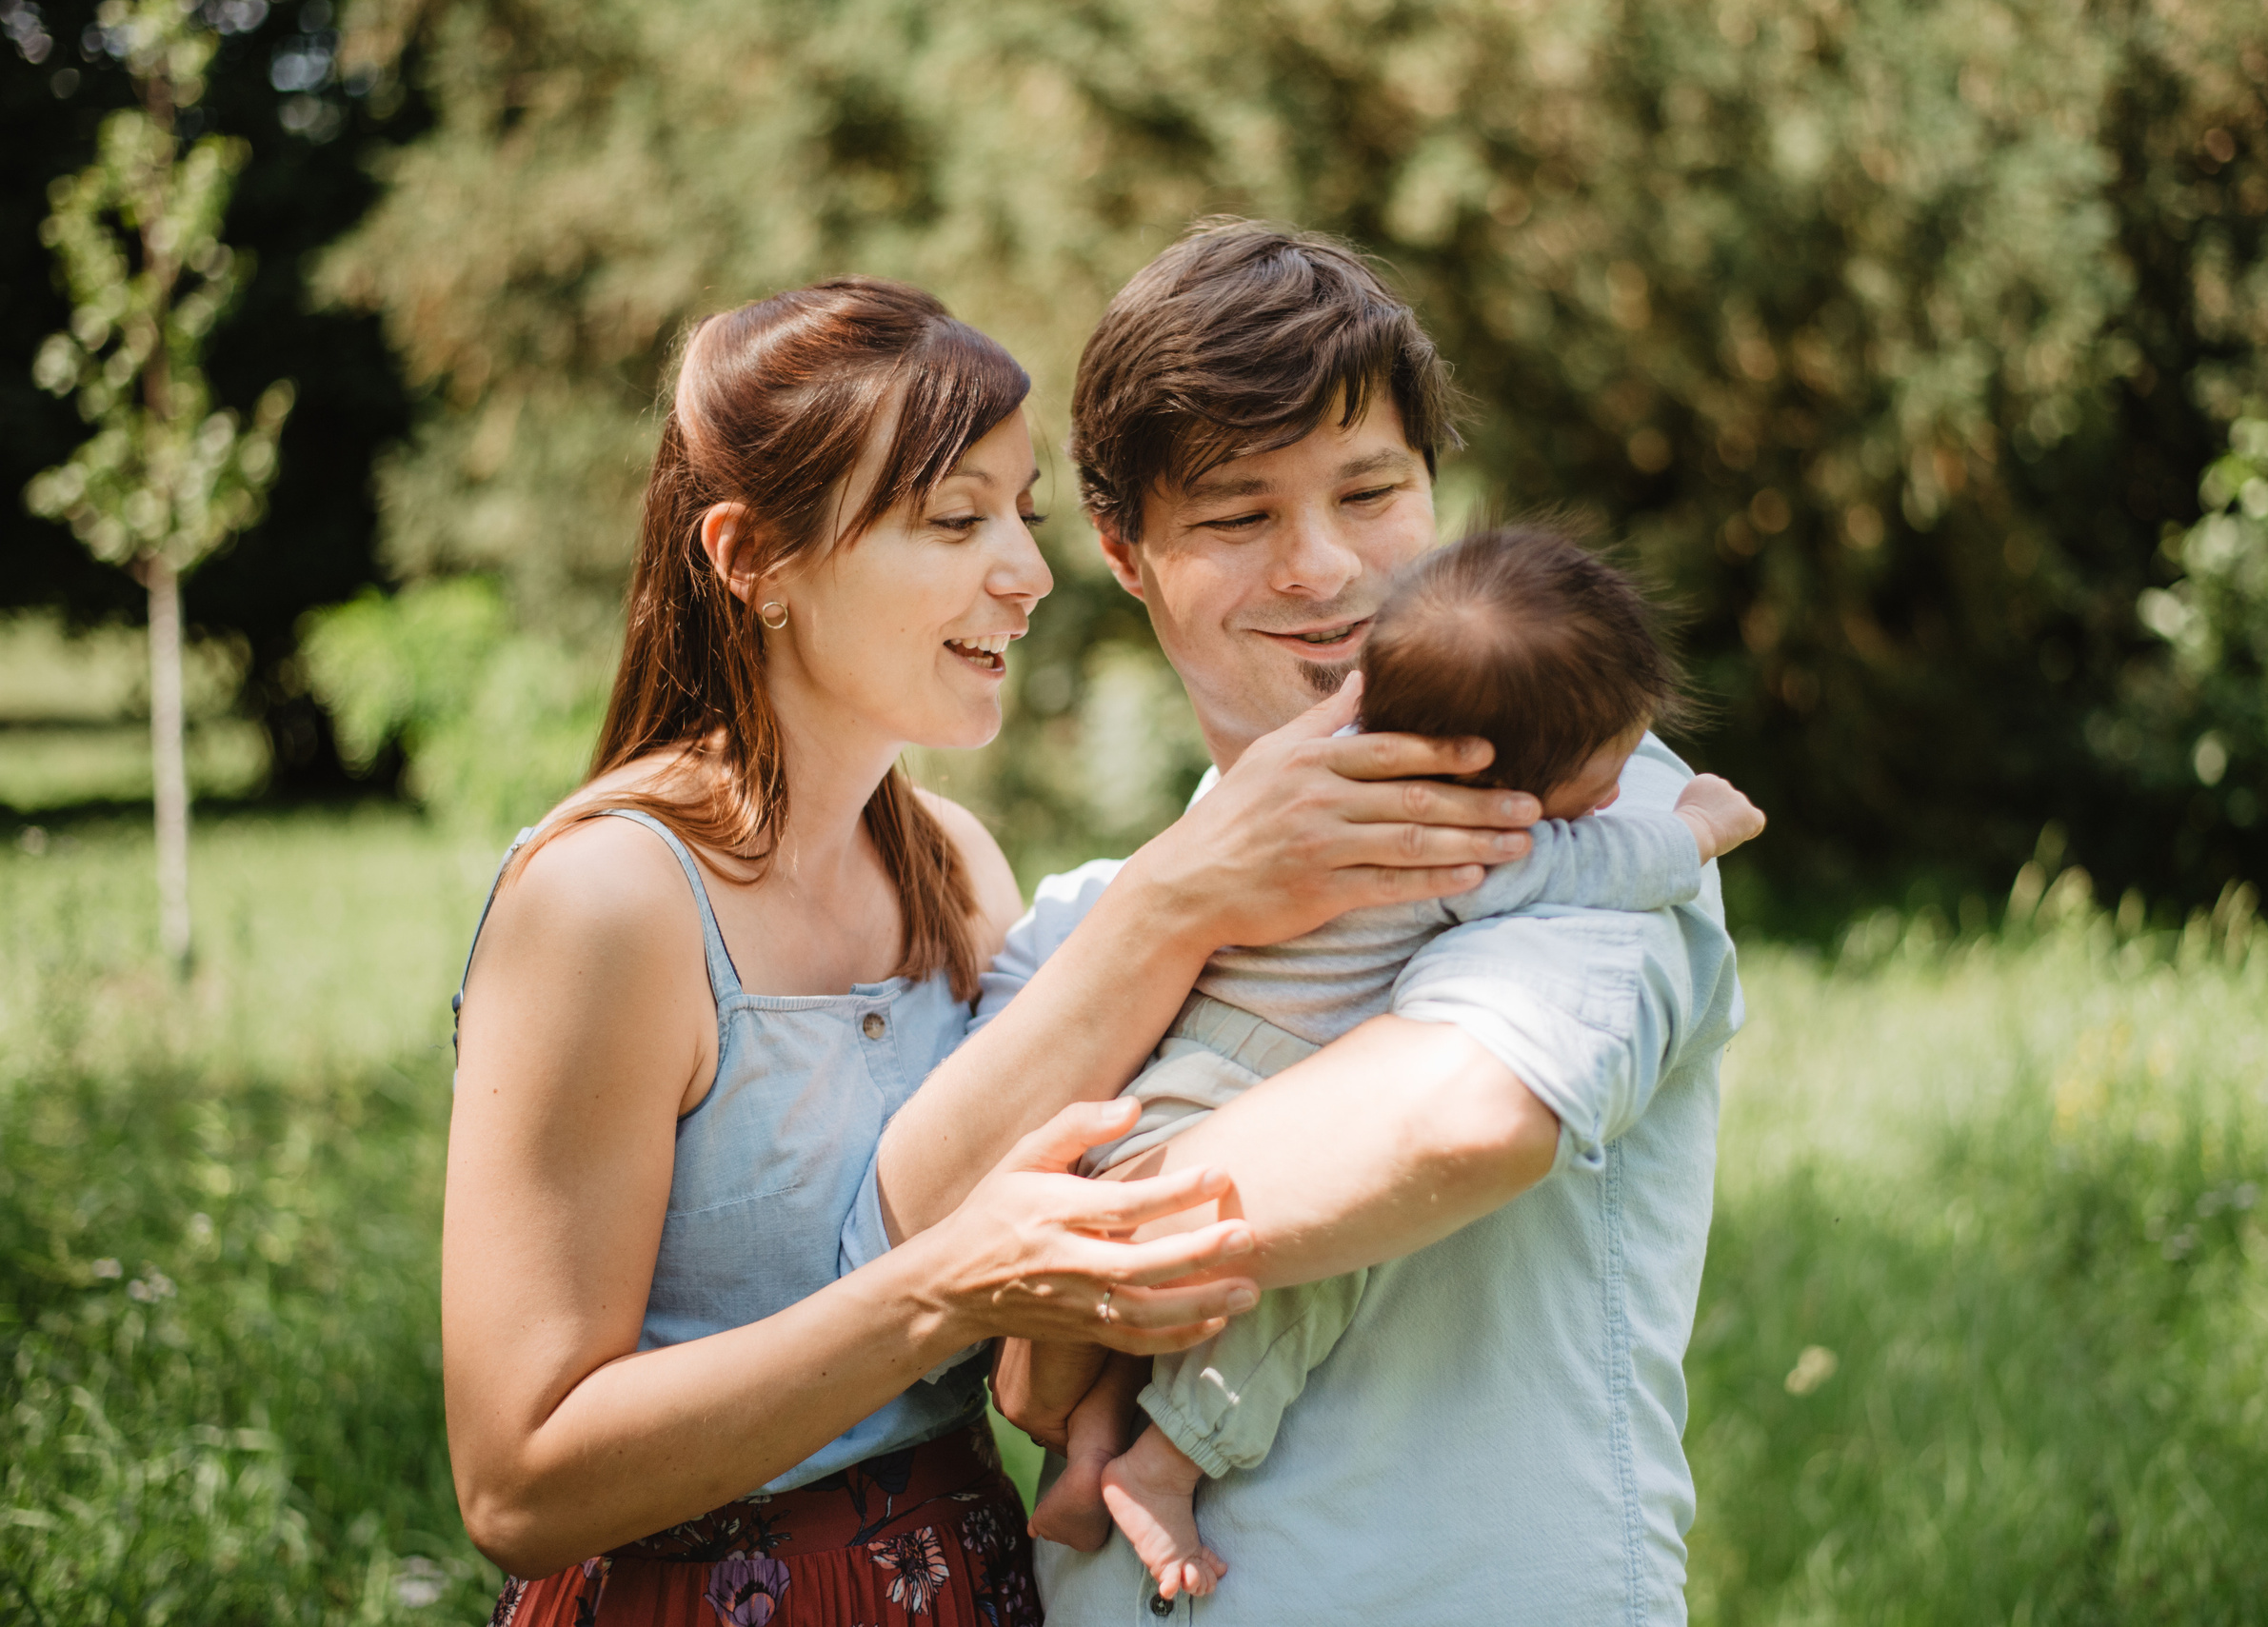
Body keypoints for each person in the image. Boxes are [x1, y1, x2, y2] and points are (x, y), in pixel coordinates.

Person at [444, 276, 1546, 1627]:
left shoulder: (955, 874)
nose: (1025, 575)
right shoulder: (611, 901)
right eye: (955, 521)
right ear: (751, 559)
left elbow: (1037, 1351)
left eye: (1020, 517)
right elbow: (517, 1482)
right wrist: (942, 1291)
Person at [977, 221, 1747, 1624]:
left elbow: (1454, 1117)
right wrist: (1177, 899)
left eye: (1370, 490)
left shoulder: (1582, 813)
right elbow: (984, 1340)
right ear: (1124, 552)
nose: (1321, 567)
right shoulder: (1083, 920)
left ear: (1436, 495)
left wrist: (1054, 1245)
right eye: (1235, 515)